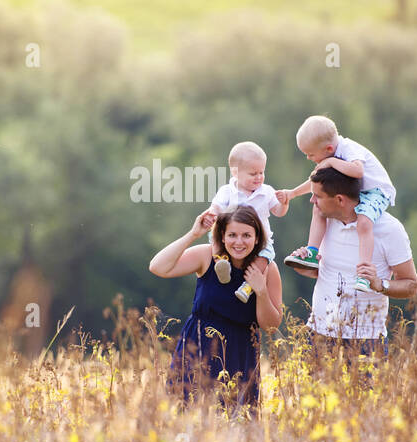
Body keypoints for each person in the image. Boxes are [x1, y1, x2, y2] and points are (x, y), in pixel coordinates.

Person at [149, 204, 283, 408]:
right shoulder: (207, 256)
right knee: (185, 414)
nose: (239, 242)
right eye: (232, 235)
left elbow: (272, 326)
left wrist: (261, 291)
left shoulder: (267, 268)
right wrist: (193, 234)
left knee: (234, 422)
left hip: (240, 353)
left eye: (246, 235)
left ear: (257, 238)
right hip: (197, 346)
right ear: (222, 235)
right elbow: (158, 267)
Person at [286, 165, 417, 358]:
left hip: (367, 342)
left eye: (318, 196)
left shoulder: (389, 229)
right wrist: (305, 266)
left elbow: (412, 286)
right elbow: (324, 273)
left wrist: (379, 284)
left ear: (339, 199)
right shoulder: (325, 222)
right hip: (318, 335)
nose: (312, 200)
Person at [278, 115, 397, 293]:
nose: (309, 158)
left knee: (364, 222)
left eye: (310, 154)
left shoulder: (348, 149)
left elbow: (358, 171)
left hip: (375, 192)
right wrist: (293, 193)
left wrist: (332, 162)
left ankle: (364, 273)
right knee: (318, 207)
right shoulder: (330, 155)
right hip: (355, 191)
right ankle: (312, 252)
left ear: (328, 148)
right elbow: (316, 181)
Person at [204, 141, 289, 303]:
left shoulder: (266, 192)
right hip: (230, 235)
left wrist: (284, 203)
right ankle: (221, 264)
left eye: (261, 172)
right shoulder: (227, 191)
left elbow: (278, 212)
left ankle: (248, 286)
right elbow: (216, 206)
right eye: (253, 174)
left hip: (259, 239)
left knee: (264, 257)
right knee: (214, 238)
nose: (258, 177)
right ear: (235, 173)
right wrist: (211, 214)